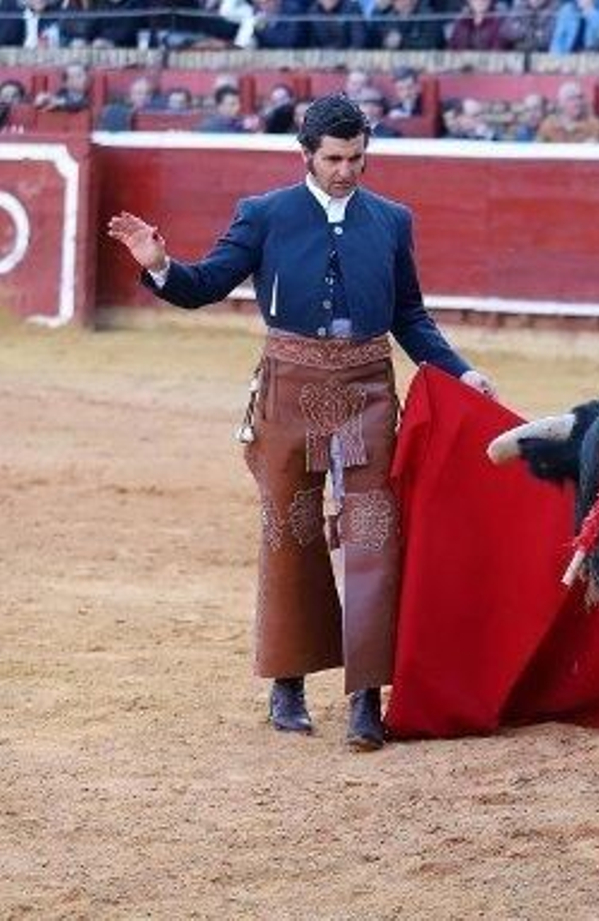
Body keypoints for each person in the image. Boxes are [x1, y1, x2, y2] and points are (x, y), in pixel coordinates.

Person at [104, 95, 495, 752]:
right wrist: (160, 266)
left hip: (368, 386)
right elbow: (206, 284)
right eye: (334, 159)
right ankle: (288, 685)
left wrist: (461, 371)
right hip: (290, 386)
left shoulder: (391, 219)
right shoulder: (265, 214)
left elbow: (409, 315)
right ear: (307, 154)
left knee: (374, 532)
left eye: (357, 158)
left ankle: (366, 695)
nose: (346, 171)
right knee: (291, 528)